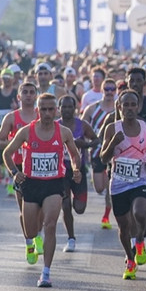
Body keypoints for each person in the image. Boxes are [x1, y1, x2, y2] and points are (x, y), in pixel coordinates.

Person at [3, 93, 82, 288]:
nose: (47, 113)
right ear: (38, 111)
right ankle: (31, 243)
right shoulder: (26, 132)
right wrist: (14, 172)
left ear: (56, 110)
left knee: (50, 225)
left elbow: (74, 155)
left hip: (54, 184)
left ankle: (45, 273)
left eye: (51, 109)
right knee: (31, 231)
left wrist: (77, 169)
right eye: (43, 109)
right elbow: (7, 153)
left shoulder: (63, 132)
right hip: (32, 184)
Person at [101, 90, 146, 280]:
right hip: (118, 184)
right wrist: (112, 143)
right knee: (124, 226)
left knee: (140, 213)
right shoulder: (112, 128)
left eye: (132, 104)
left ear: (138, 106)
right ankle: (130, 259)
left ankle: (140, 241)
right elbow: (103, 157)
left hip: (140, 180)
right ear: (119, 107)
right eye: (125, 105)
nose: (129, 108)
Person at [0, 82, 41, 256]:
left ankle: (38, 234)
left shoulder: (41, 114)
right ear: (19, 96)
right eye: (25, 92)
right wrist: (16, 142)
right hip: (19, 166)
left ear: (36, 96)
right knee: (24, 209)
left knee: (41, 208)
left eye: (32, 92)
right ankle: (29, 242)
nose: (29, 95)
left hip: (39, 165)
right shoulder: (12, 118)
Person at [57, 96, 98, 252]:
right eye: (64, 107)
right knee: (65, 205)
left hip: (78, 170)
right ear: (59, 108)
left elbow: (96, 139)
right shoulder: (55, 126)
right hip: (61, 171)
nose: (67, 110)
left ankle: (73, 209)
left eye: (70, 107)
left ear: (75, 108)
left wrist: (85, 145)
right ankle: (71, 238)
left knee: (79, 208)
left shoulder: (82, 125)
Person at [82, 78, 117, 229]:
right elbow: (81, 127)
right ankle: (102, 177)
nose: (109, 92)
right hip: (96, 151)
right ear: (102, 90)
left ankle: (106, 216)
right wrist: (83, 143)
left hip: (114, 152)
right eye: (107, 89)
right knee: (99, 188)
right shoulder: (92, 108)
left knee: (110, 186)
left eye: (112, 89)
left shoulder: (119, 109)